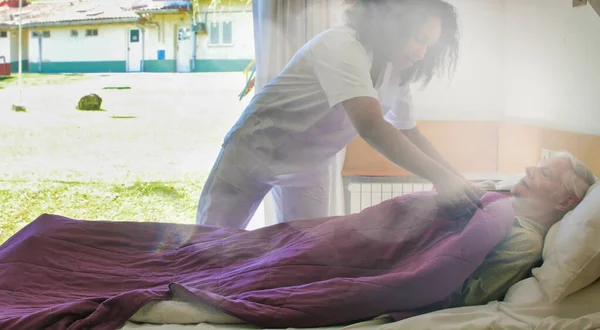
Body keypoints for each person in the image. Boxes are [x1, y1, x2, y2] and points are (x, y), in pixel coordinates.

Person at [196, 0, 483, 228]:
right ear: (395, 24)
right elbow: (371, 125)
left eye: (429, 46)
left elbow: (409, 131)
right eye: (419, 39)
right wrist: (443, 179)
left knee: (304, 257)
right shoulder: (341, 46)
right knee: (210, 248)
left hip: (308, 166)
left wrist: (456, 178)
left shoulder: (397, 71)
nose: (421, 53)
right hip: (255, 151)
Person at [449, 152, 597, 307]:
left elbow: (464, 298)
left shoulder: (525, 242)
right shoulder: (497, 205)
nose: (528, 169)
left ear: (564, 201)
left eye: (545, 173)